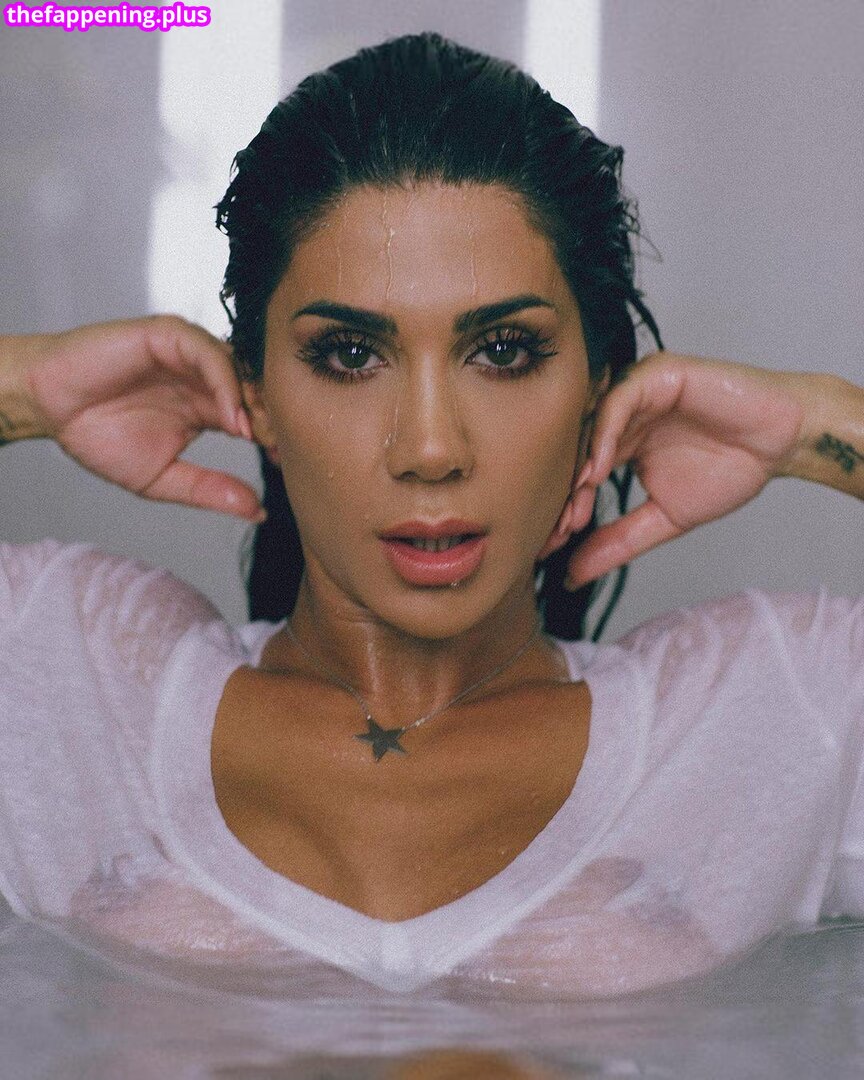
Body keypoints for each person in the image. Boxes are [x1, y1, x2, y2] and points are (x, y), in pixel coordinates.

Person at [0, 31, 861, 1002]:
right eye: (349, 355)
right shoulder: (65, 669)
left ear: (598, 388)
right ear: (259, 394)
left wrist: (818, 425)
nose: (431, 448)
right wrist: (23, 386)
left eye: (504, 350)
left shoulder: (777, 709)